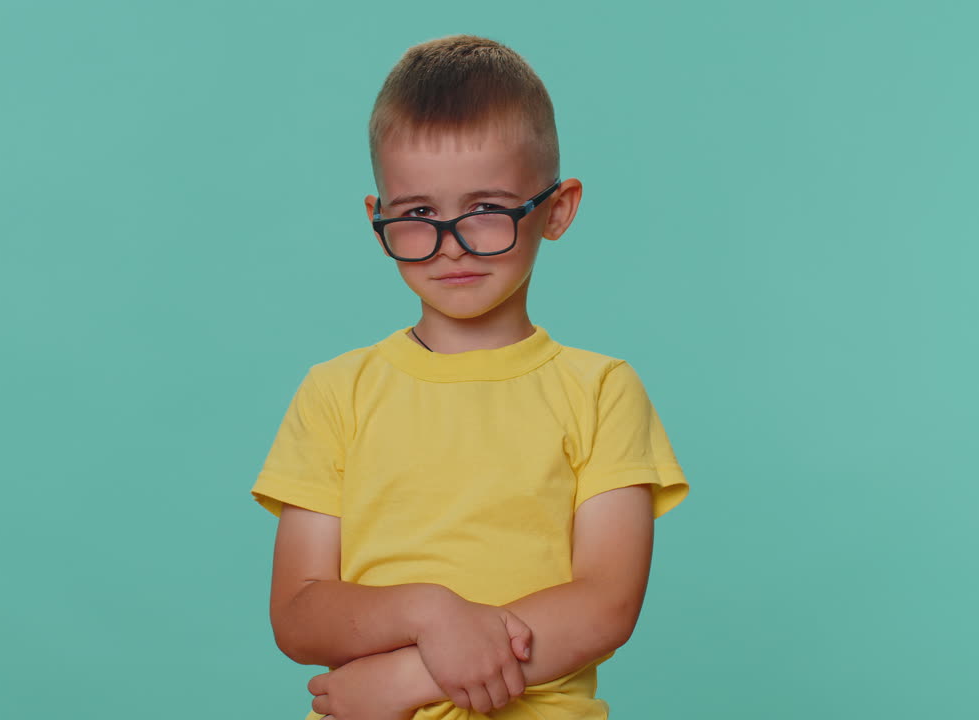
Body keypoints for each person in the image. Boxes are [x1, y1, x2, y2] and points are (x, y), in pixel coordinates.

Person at [250, 34, 690, 720]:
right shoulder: (335, 393)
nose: (451, 243)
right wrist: (428, 612)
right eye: (420, 214)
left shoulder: (601, 391)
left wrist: (412, 677)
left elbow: (605, 604)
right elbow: (300, 613)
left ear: (557, 209)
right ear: (378, 220)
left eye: (486, 209)